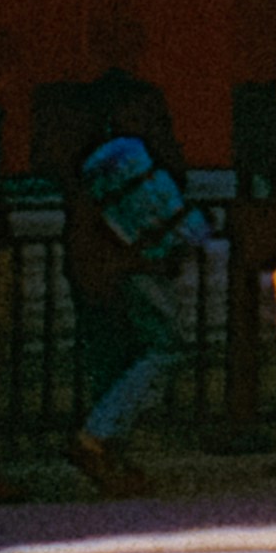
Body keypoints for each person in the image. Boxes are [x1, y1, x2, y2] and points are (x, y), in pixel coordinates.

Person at [37, 27, 197, 497]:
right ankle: (99, 440)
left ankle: (107, 449)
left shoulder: (62, 108)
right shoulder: (143, 103)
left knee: (107, 348)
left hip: (85, 248)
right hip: (138, 248)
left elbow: (55, 172)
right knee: (166, 343)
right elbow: (174, 168)